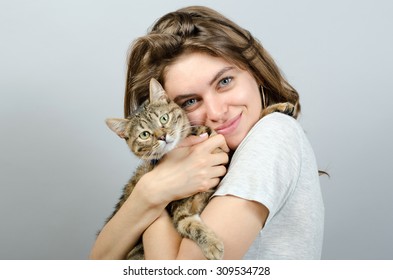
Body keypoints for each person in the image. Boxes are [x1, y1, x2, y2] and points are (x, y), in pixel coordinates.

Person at [90, 6, 324, 260]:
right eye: (190, 101)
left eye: (224, 82)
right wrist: (149, 191)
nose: (216, 112)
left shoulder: (274, 133)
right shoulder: (195, 160)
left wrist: (154, 196)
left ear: (255, 72)